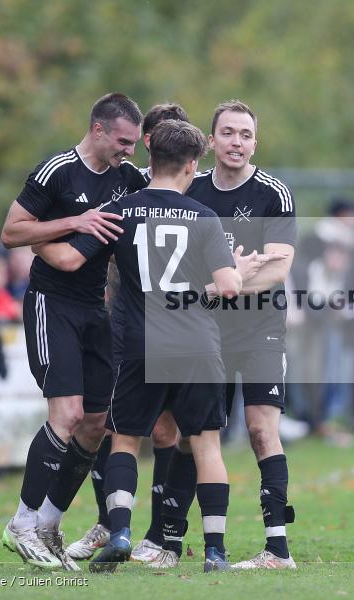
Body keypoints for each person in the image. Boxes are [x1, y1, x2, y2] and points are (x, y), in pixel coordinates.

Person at [34, 119, 244, 573]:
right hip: (198, 344)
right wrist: (235, 271)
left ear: (151, 158)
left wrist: (38, 244)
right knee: (206, 445)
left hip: (141, 344)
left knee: (125, 440)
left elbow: (69, 258)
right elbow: (228, 287)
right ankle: (215, 551)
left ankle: (122, 532)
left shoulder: (121, 210)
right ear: (192, 165)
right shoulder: (205, 217)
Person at [0, 93, 149, 570]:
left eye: (134, 143)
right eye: (123, 141)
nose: (128, 150)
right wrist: (71, 223)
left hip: (94, 309)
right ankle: (21, 523)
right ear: (98, 129)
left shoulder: (127, 178)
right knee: (66, 414)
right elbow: (12, 232)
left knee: (95, 423)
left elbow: (166, 187)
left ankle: (48, 524)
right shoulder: (57, 171)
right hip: (52, 304)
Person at [145, 100, 298, 570]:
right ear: (210, 141)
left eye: (246, 135)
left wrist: (222, 285)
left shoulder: (274, 193)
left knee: (261, 429)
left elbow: (277, 269)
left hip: (260, 330)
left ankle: (277, 549)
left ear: (255, 143)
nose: (237, 142)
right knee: (193, 434)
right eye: (228, 133)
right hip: (204, 333)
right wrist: (218, 285)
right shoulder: (191, 190)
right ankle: (168, 542)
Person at [64, 102, 195, 562]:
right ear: (148, 140)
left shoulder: (182, 189)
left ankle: (160, 534)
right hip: (121, 319)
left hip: (171, 324)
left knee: (166, 429)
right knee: (103, 421)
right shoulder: (126, 182)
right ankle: (109, 523)